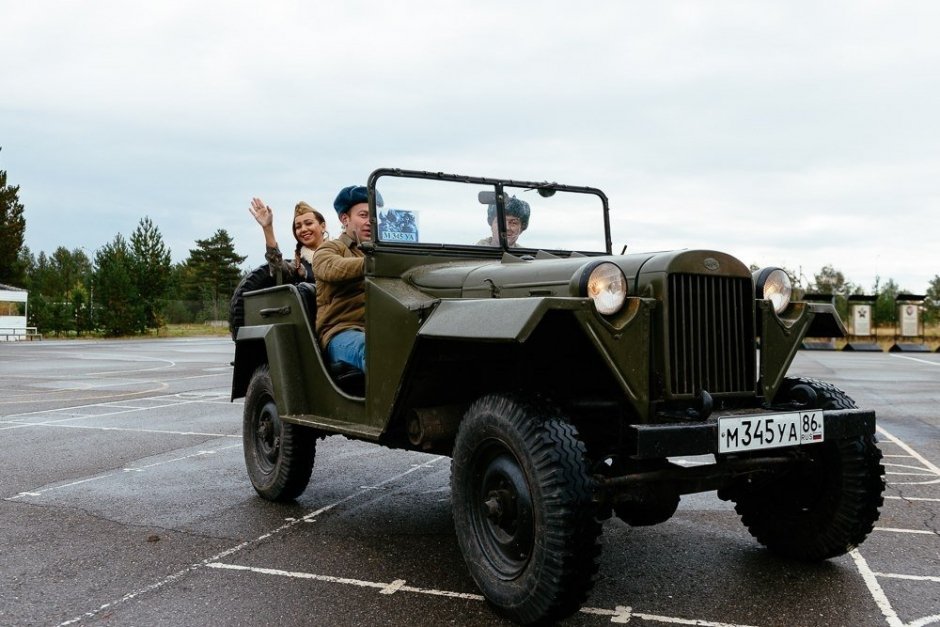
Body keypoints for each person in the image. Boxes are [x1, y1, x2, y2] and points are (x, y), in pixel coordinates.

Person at [312, 185, 383, 373]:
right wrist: (372, 263)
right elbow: (330, 267)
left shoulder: (385, 251)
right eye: (363, 215)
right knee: (376, 351)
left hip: (381, 328)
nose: (371, 221)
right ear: (345, 219)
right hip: (342, 331)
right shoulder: (330, 249)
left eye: (375, 216)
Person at [249, 198, 329, 281]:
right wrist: (267, 228)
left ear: (322, 226)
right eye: (298, 227)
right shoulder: (299, 266)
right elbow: (279, 270)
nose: (303, 229)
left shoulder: (340, 251)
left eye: (308, 223)